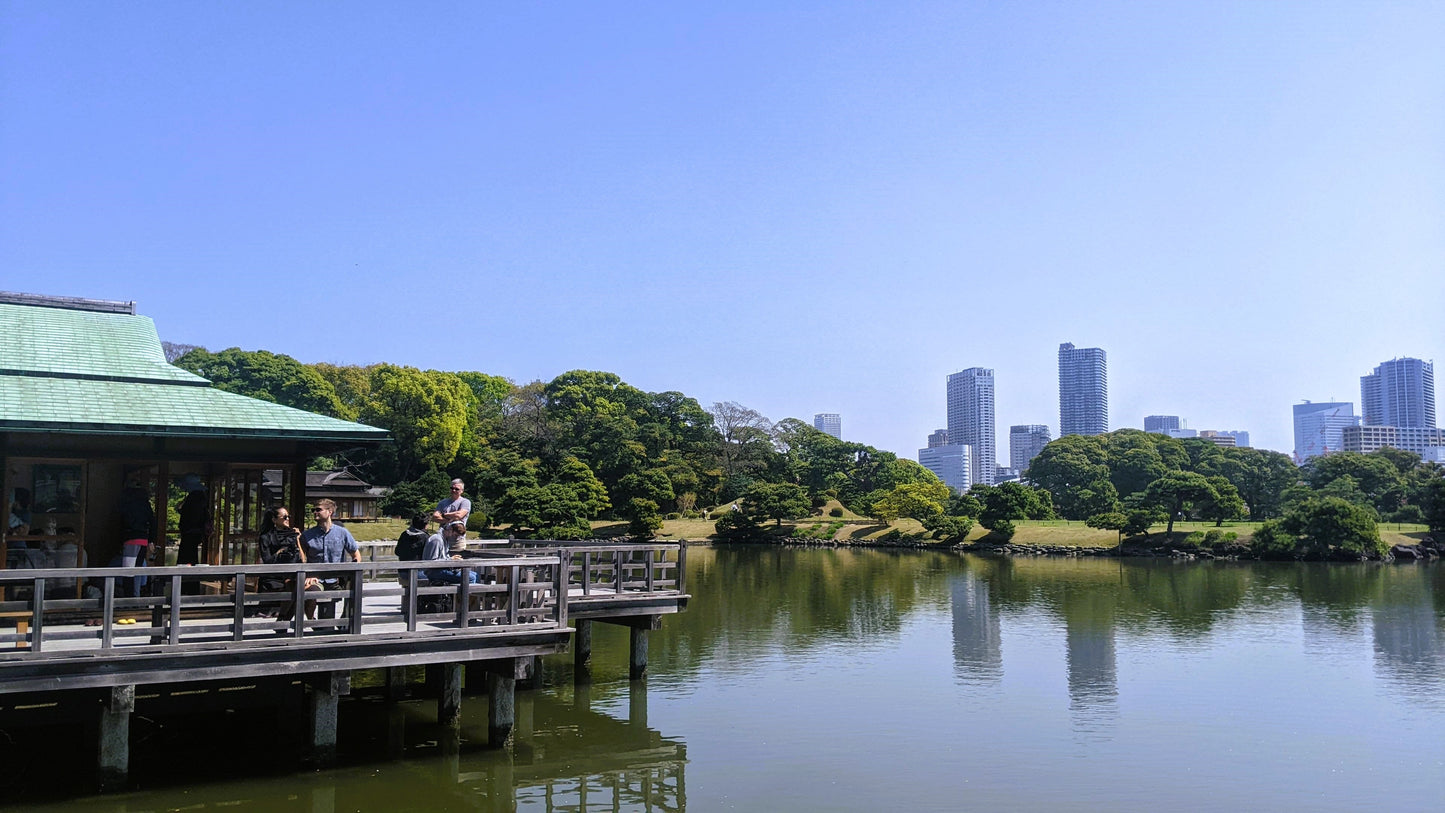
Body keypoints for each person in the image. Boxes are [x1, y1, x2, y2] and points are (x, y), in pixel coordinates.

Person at [300, 499, 360, 618]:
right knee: (311, 594)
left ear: (330, 512)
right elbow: (301, 559)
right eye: (313, 510)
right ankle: (312, 621)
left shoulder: (342, 533)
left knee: (354, 590)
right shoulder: (307, 535)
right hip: (315, 579)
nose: (315, 512)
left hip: (335, 580)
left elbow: (356, 554)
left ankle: (341, 626)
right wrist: (307, 574)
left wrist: (352, 572)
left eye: (318, 510)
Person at [256, 506, 313, 621]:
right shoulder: (266, 537)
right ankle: (283, 620)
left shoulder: (292, 534)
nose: (288, 519)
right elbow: (267, 560)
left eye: (289, 516)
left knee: (305, 590)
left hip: (292, 574)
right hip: (273, 576)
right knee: (289, 587)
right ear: (274, 520)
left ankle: (308, 621)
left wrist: (297, 539)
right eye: (284, 517)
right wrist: (279, 552)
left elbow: (302, 559)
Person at [118, 485, 153, 598]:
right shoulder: (146, 505)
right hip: (143, 540)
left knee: (128, 572)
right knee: (137, 570)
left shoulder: (128, 505)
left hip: (131, 540)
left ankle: (128, 599)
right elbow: (153, 522)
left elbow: (123, 522)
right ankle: (136, 597)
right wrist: (151, 540)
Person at [423, 520, 478, 586]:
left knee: (475, 575)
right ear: (450, 529)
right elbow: (431, 562)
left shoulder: (445, 539)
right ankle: (463, 595)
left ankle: (461, 594)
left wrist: (452, 559)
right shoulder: (436, 540)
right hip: (433, 572)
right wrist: (450, 560)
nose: (456, 538)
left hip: (441, 569)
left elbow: (443, 558)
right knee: (471, 578)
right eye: (455, 535)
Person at [178, 477, 209, 565]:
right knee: (191, 555)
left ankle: (187, 576)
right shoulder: (201, 498)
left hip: (190, 531)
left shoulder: (194, 498)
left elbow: (191, 514)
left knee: (187, 556)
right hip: (195, 531)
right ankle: (191, 576)